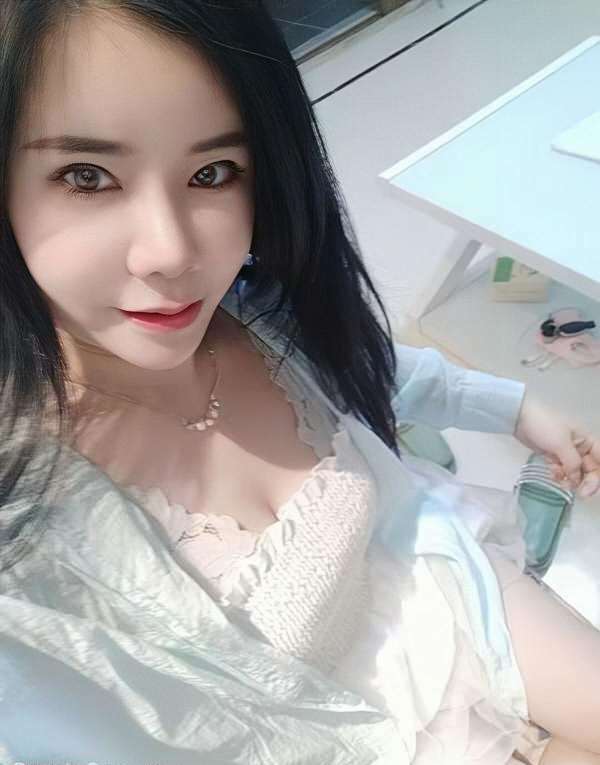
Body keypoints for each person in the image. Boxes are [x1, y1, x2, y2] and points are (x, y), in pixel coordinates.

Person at [1, 2, 599, 763]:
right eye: (87, 177)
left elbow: (366, 363)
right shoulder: (28, 531)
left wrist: (515, 406)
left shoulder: (257, 310)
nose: (171, 252)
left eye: (212, 172)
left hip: (441, 584)